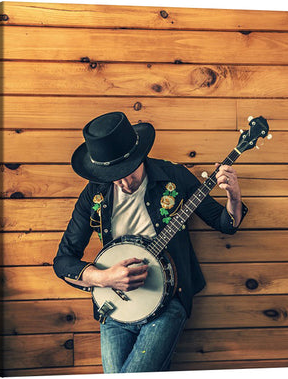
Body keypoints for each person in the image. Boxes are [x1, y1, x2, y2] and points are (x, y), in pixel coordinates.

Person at [53, 111, 248, 373]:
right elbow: (63, 260)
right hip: (115, 308)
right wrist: (105, 278)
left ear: (139, 155)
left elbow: (225, 224)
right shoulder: (94, 193)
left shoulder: (174, 177)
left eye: (127, 171)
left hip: (168, 301)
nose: (123, 182)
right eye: (113, 175)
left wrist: (234, 198)